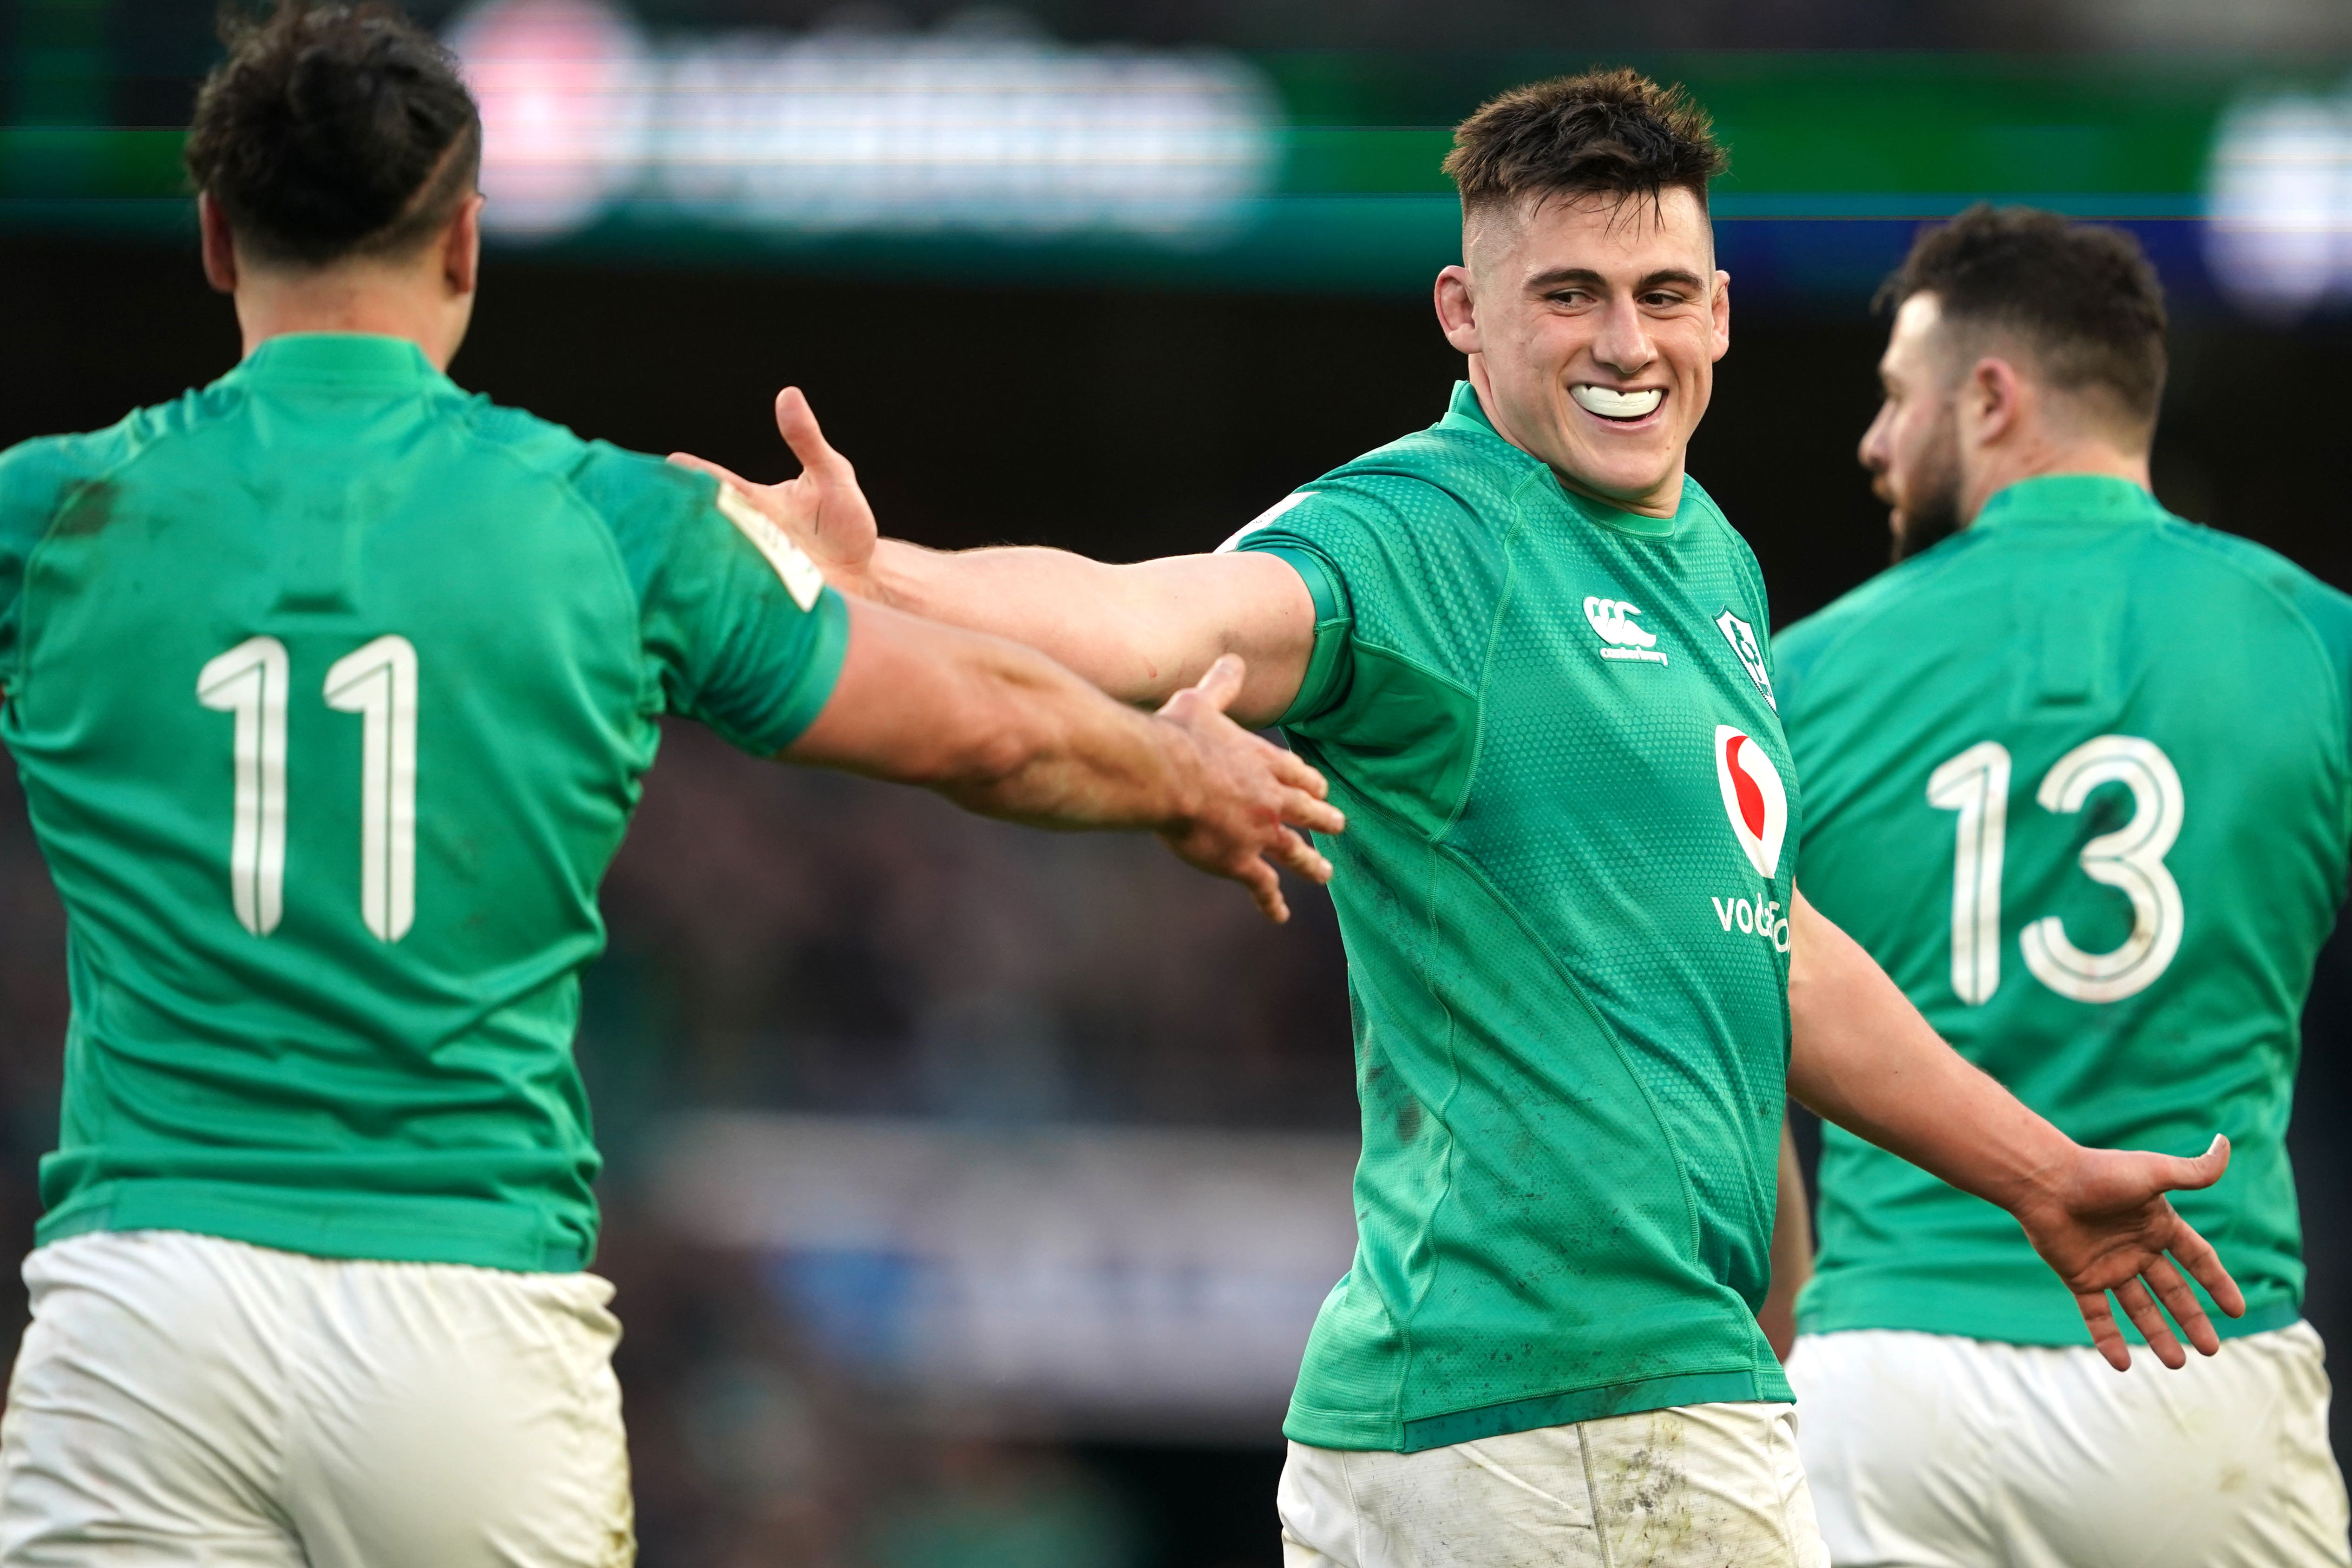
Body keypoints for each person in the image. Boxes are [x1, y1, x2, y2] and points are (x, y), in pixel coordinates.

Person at [688, 72, 2248, 1568]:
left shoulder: (1708, 563)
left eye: (1659, 293)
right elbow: (1147, 616)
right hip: (1570, 1422)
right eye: (1566, 293)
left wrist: (2035, 1170)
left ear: (1717, 310)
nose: (1622, 341)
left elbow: (1766, 943)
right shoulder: (1427, 536)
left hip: (1523, 1415)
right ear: (1464, 313)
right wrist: (888, 575)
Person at [0, 6, 1343, 1565]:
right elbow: (990, 729)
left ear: (219, 239)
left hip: (145, 1305)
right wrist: (1178, 776)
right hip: (465, 1312)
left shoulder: (53, 516)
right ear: (467, 245)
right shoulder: (610, 522)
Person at [1769, 205, 2352, 1567]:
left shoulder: (1795, 673)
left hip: (1887, 1369)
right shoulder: (2319, 648)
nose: (1872, 443)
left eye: (1895, 401)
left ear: (1990, 397)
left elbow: (1739, 1039)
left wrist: (1810, 1340)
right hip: (2199, 1358)